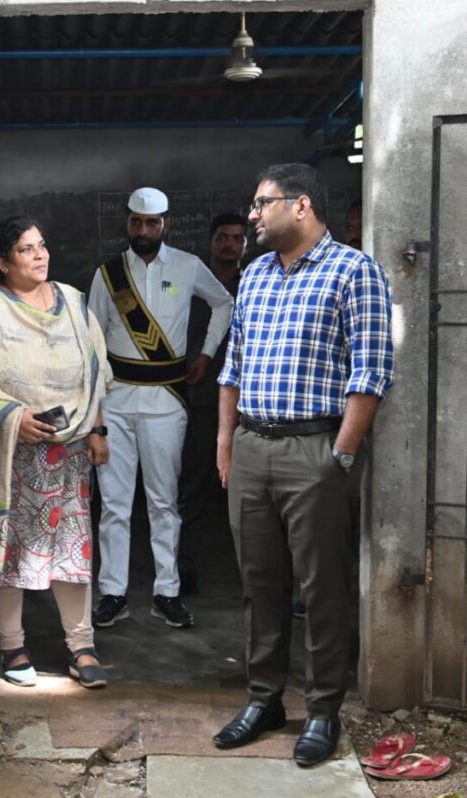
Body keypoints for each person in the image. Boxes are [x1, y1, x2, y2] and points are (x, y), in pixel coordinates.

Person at [213, 164, 393, 767]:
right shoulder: (255, 273)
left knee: (321, 590)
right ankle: (264, 700)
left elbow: (370, 372)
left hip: (315, 451)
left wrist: (340, 455)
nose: (254, 215)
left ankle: (322, 710)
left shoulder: (354, 270)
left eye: (263, 204)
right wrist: (225, 442)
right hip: (253, 448)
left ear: (302, 205)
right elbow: (233, 364)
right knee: (259, 585)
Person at [89, 188, 234, 630]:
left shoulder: (189, 267)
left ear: (165, 224)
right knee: (113, 504)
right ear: (128, 223)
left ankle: (166, 592)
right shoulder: (108, 274)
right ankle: (112, 593)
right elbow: (93, 343)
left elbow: (224, 303)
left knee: (163, 503)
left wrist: (206, 354)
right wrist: (94, 413)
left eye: (152, 223)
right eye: (136, 223)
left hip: (167, 403)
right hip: (114, 403)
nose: (144, 231)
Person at [0, 216, 113, 689]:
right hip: (17, 454)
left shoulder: (74, 301)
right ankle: (11, 645)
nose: (40, 255)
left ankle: (82, 645)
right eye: (26, 250)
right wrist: (14, 417)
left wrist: (96, 428)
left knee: (75, 550)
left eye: (41, 246)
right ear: (3, 262)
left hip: (73, 448)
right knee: (14, 551)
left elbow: (94, 369)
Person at [177, 213, 247, 592]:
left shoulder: (253, 284)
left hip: (246, 406)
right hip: (200, 400)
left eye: (237, 238)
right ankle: (185, 566)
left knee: (244, 491)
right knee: (193, 485)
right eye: (222, 237)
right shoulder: (191, 285)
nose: (229, 245)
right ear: (211, 242)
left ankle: (248, 573)